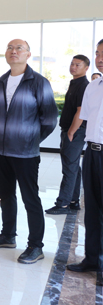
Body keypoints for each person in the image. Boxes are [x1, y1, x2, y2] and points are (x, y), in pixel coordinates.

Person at [0, 39, 57, 264]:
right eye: (10, 48)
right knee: (5, 195)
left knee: (30, 198)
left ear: (28, 54)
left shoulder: (39, 82)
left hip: (25, 153)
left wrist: (31, 139)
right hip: (2, 151)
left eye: (19, 48)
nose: (13, 51)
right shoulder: (1, 81)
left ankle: (36, 246)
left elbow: (50, 119)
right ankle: (8, 235)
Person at [66, 39, 103, 282]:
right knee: (92, 209)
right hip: (92, 152)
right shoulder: (94, 86)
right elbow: (87, 117)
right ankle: (92, 258)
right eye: (98, 53)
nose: (100, 58)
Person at [46, 55, 90, 214]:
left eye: (78, 65)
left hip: (75, 132)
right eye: (72, 64)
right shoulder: (75, 83)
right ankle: (73, 200)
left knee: (69, 168)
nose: (73, 67)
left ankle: (63, 204)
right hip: (69, 130)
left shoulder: (83, 86)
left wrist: (71, 131)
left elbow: (81, 111)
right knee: (73, 167)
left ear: (86, 68)